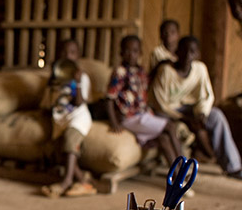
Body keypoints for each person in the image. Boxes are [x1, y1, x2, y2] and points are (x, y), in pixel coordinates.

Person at [150, 36, 242, 179]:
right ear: (177, 52)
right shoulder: (166, 72)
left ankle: (233, 167)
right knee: (162, 120)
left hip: (192, 109)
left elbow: (206, 96)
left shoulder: (200, 69)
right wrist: (184, 119)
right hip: (171, 111)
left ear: (197, 54)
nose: (188, 55)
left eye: (192, 51)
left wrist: (202, 113)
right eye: (184, 51)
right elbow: (160, 104)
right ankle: (182, 168)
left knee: (217, 116)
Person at [106, 35, 181, 166]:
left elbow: (147, 82)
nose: (131, 55)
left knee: (163, 138)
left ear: (140, 53)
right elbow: (109, 98)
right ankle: (184, 165)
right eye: (127, 51)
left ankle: (176, 177)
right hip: (130, 118)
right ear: (121, 53)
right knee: (170, 127)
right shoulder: (120, 72)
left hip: (143, 115)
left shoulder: (140, 71)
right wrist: (114, 122)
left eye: (135, 51)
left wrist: (160, 66)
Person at [40, 39, 96, 197]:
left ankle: (66, 182)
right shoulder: (54, 80)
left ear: (77, 57)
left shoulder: (82, 78)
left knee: (71, 140)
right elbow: (47, 104)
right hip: (61, 120)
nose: (67, 55)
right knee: (60, 151)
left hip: (78, 117)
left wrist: (77, 83)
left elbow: (79, 102)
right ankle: (83, 180)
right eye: (63, 53)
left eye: (71, 53)